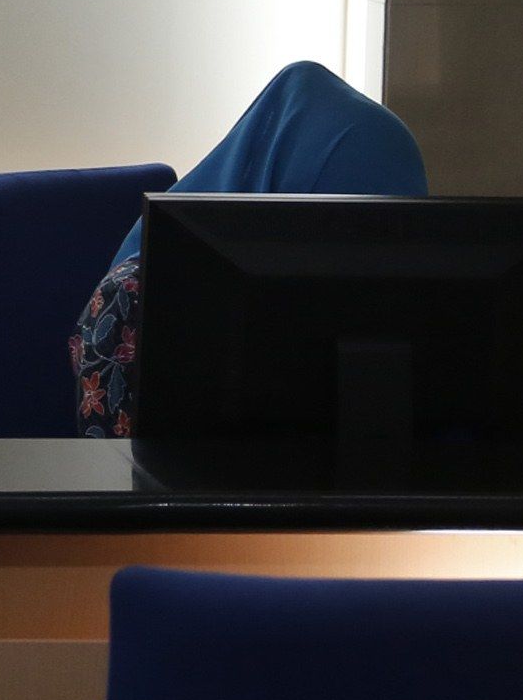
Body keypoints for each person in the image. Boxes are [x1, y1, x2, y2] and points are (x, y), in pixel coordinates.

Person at [72, 60, 428, 438]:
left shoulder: (386, 307)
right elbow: (119, 477)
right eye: (356, 235)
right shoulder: (132, 300)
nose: (374, 267)